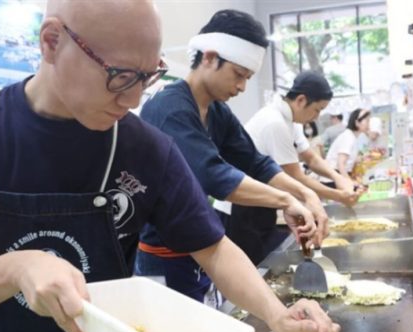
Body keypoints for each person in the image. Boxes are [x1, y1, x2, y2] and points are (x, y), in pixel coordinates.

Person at [0, 2, 339, 332]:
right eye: (120, 75)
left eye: (148, 76)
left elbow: (214, 250)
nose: (134, 99)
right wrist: (17, 268)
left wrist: (276, 315)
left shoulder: (145, 149)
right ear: (51, 42)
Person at [138, 10, 328, 297]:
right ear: (210, 57)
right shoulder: (171, 109)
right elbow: (214, 176)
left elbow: (254, 161)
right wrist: (286, 199)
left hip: (199, 246)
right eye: (238, 75)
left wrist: (307, 194)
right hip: (163, 255)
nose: (241, 87)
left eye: (248, 78)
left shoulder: (216, 110)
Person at [240, 70, 362, 263]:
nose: (316, 117)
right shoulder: (275, 122)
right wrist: (339, 196)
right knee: (256, 268)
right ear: (301, 100)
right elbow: (295, 177)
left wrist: (339, 178)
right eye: (317, 109)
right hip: (241, 210)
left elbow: (311, 159)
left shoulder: (292, 121)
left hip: (263, 204)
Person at [325, 108, 371, 180]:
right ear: (357, 123)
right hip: (334, 178)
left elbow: (348, 159)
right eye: (367, 121)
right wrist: (349, 183)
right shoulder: (348, 137)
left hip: (338, 176)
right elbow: (340, 164)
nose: (369, 124)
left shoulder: (352, 136)